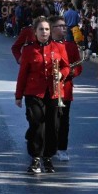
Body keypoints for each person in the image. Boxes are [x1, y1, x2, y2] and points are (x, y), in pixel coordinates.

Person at [15, 17, 69, 175]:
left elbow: (66, 66)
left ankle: (48, 157)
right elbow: (22, 74)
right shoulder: (29, 50)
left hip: (54, 92)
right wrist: (18, 96)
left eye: (46, 29)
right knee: (37, 124)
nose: (44, 32)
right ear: (35, 32)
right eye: (41, 29)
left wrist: (61, 73)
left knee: (53, 126)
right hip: (34, 92)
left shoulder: (59, 47)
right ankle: (36, 158)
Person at [50, 15, 82, 162]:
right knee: (50, 119)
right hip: (48, 88)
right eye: (60, 26)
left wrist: (71, 72)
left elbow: (78, 66)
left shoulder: (70, 45)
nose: (64, 28)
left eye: (65, 26)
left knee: (64, 120)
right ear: (52, 29)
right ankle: (48, 146)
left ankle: (62, 148)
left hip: (65, 88)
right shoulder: (46, 45)